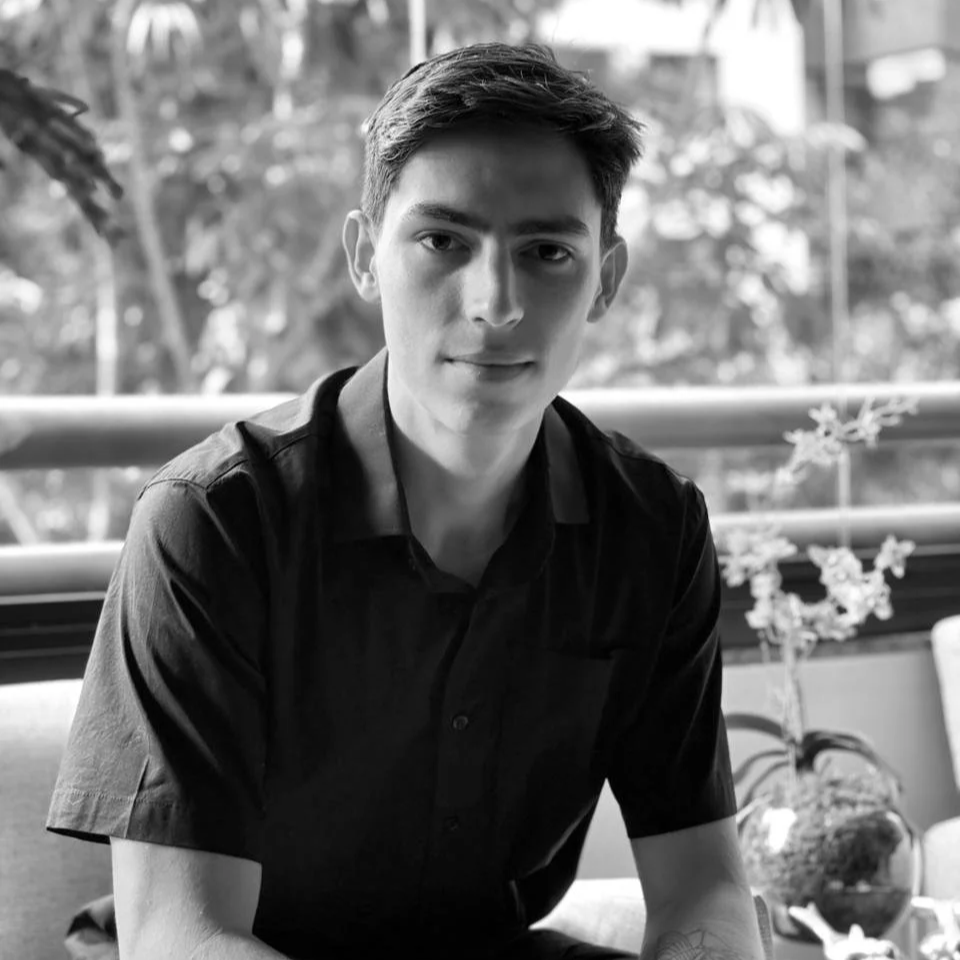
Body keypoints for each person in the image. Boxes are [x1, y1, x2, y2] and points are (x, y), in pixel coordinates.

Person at [46, 41, 766, 960]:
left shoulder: (653, 528)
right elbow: (181, 932)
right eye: (443, 241)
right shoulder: (213, 521)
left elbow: (703, 884)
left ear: (607, 280)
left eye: (547, 251)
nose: (496, 303)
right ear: (365, 256)